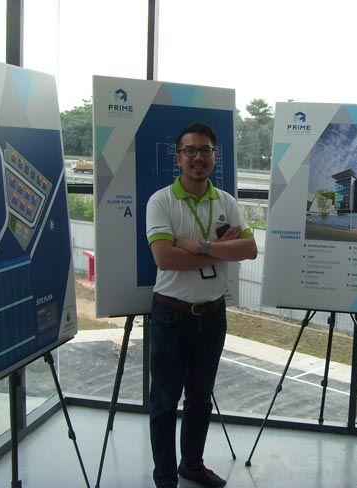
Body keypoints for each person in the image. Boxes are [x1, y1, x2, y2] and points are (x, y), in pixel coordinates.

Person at [146, 122, 257, 488]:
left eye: (205, 150)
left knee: (200, 398)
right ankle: (165, 477)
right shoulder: (161, 201)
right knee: (165, 400)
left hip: (212, 315)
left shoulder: (226, 201)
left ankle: (191, 465)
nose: (198, 157)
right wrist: (223, 250)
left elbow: (250, 249)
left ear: (215, 156)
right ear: (178, 157)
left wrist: (199, 246)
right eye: (190, 150)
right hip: (171, 314)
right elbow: (165, 258)